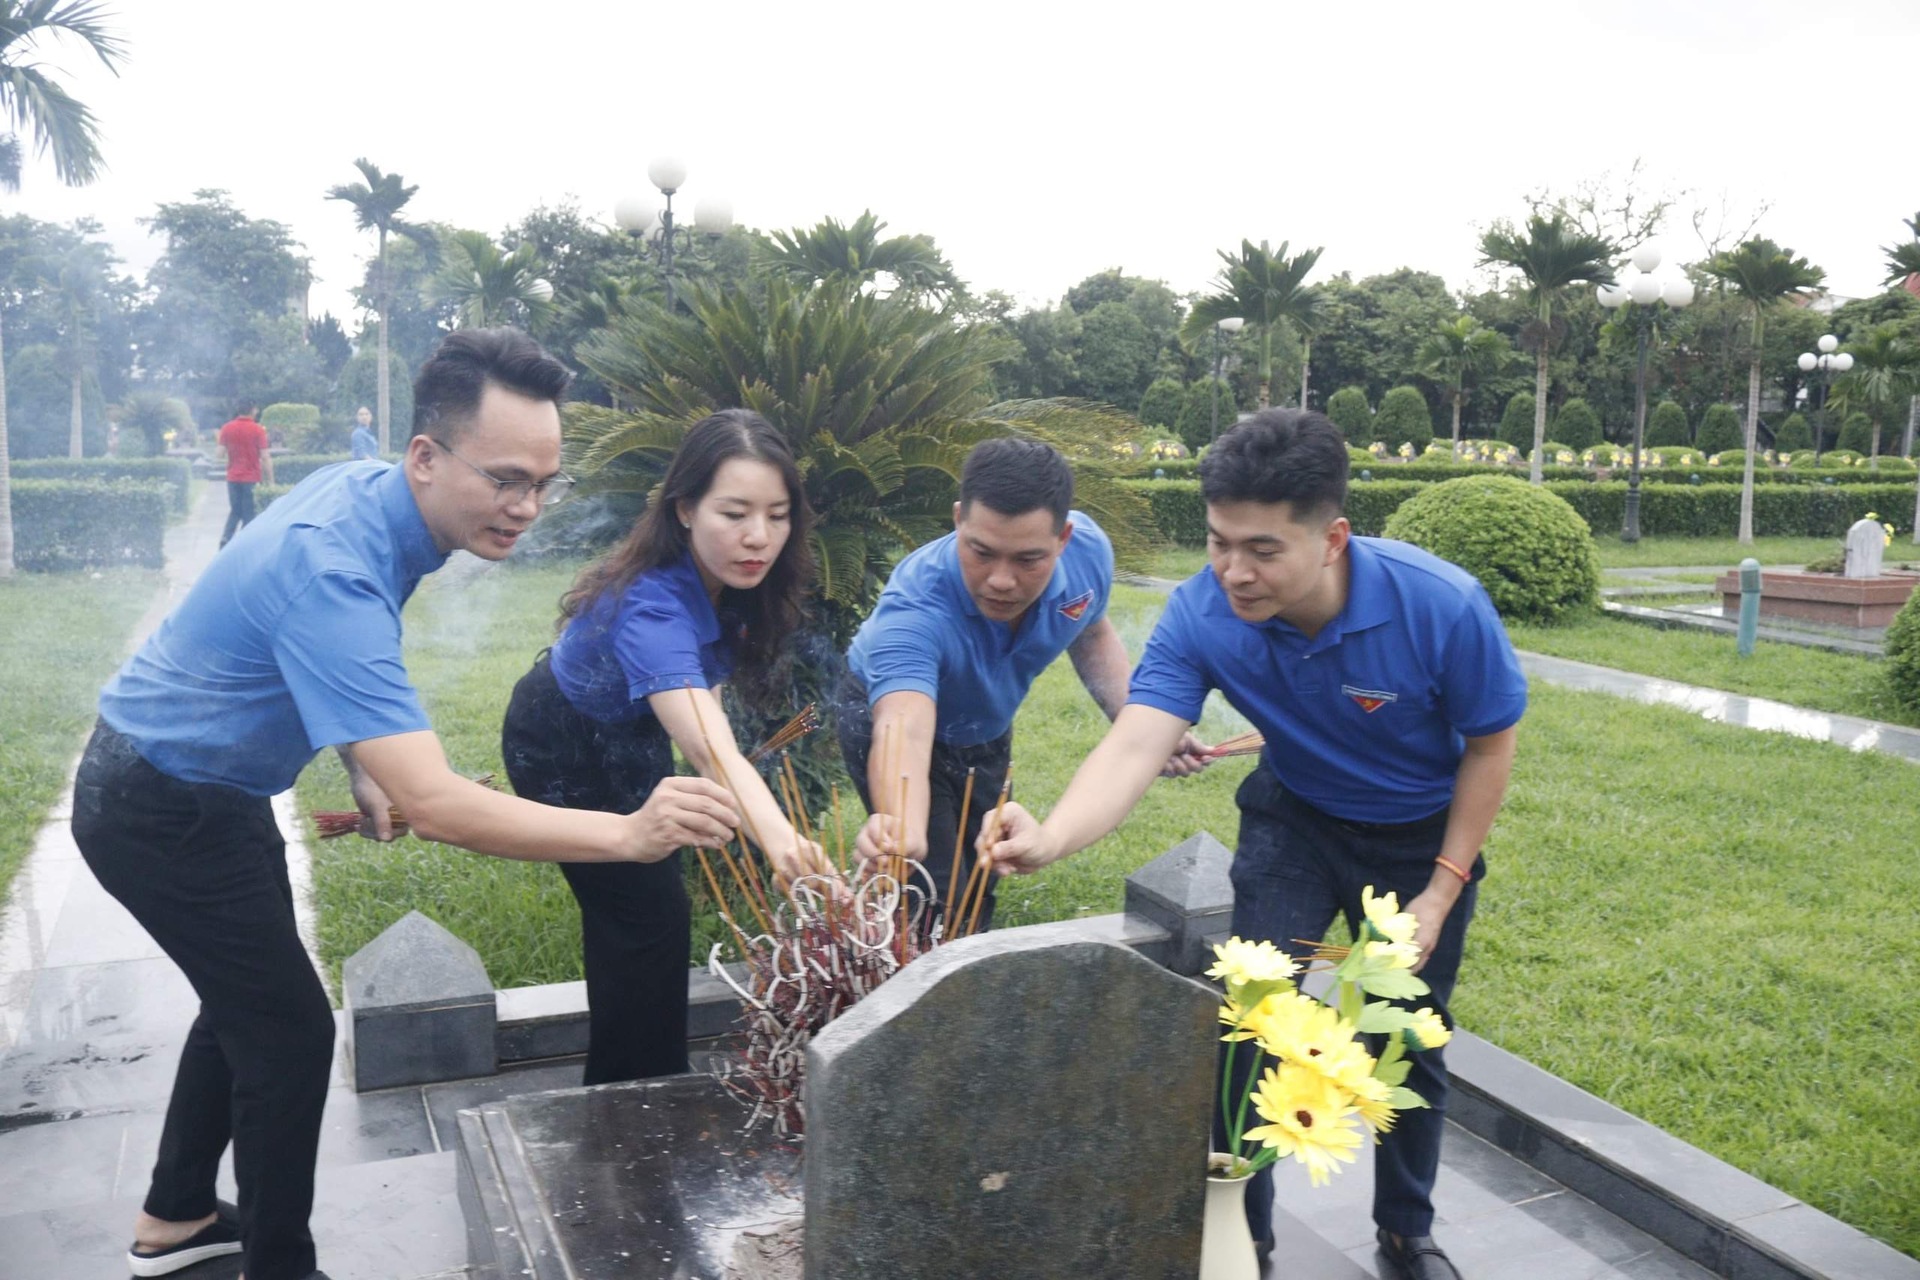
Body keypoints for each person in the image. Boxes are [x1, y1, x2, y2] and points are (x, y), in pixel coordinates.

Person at [72, 329, 741, 1280]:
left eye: (545, 483)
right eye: (507, 479)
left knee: (247, 1006)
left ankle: (175, 1217)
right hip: (156, 806)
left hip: (203, 788)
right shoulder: (334, 564)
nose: (528, 508)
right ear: (425, 456)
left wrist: (359, 757)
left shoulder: (371, 497)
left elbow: (322, 661)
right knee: (290, 1033)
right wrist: (630, 834)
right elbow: (437, 802)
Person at [984, 409, 1525, 1280]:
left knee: (1410, 1035)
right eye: (1219, 542)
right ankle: (1246, 1240)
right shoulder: (1202, 613)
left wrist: (1440, 887)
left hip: (1417, 840)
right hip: (1294, 817)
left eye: (1264, 549)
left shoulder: (1441, 607)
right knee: (1254, 1021)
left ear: (1334, 536)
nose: (1235, 570)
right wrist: (1050, 837)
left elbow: (1491, 747)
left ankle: (1406, 1229)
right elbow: (1138, 738)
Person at [501, 408, 829, 1085]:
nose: (758, 537)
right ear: (684, 508)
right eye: (734, 512)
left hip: (630, 732)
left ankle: (647, 1081)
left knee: (650, 911)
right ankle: (628, 1094)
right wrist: (785, 846)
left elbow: (705, 713)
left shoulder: (734, 582)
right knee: (643, 913)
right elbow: (712, 751)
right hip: (561, 744)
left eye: (777, 514)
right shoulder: (651, 605)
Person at [838, 436, 1207, 932]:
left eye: (1028, 560)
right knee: (931, 893)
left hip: (985, 726)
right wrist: (901, 827)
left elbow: (1092, 632)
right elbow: (903, 727)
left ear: (1064, 539)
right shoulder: (914, 608)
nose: (1001, 581)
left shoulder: (1089, 553)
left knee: (987, 866)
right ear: (957, 521)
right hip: (886, 716)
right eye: (982, 552)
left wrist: (1141, 723)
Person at [217, 404, 274, 548]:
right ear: (253, 410)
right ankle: (245, 544)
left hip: (233, 477)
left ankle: (226, 538)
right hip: (251, 477)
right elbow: (265, 457)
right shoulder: (258, 430)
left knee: (235, 510)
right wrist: (271, 480)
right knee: (249, 512)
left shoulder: (227, 428)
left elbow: (219, 454)